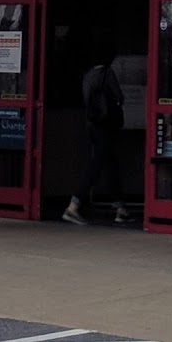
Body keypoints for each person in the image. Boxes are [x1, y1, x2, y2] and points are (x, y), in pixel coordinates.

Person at [62, 39, 128, 226]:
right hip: (106, 125)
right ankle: (73, 206)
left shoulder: (88, 75)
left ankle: (120, 208)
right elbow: (119, 97)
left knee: (110, 163)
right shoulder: (107, 73)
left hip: (92, 125)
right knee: (97, 164)